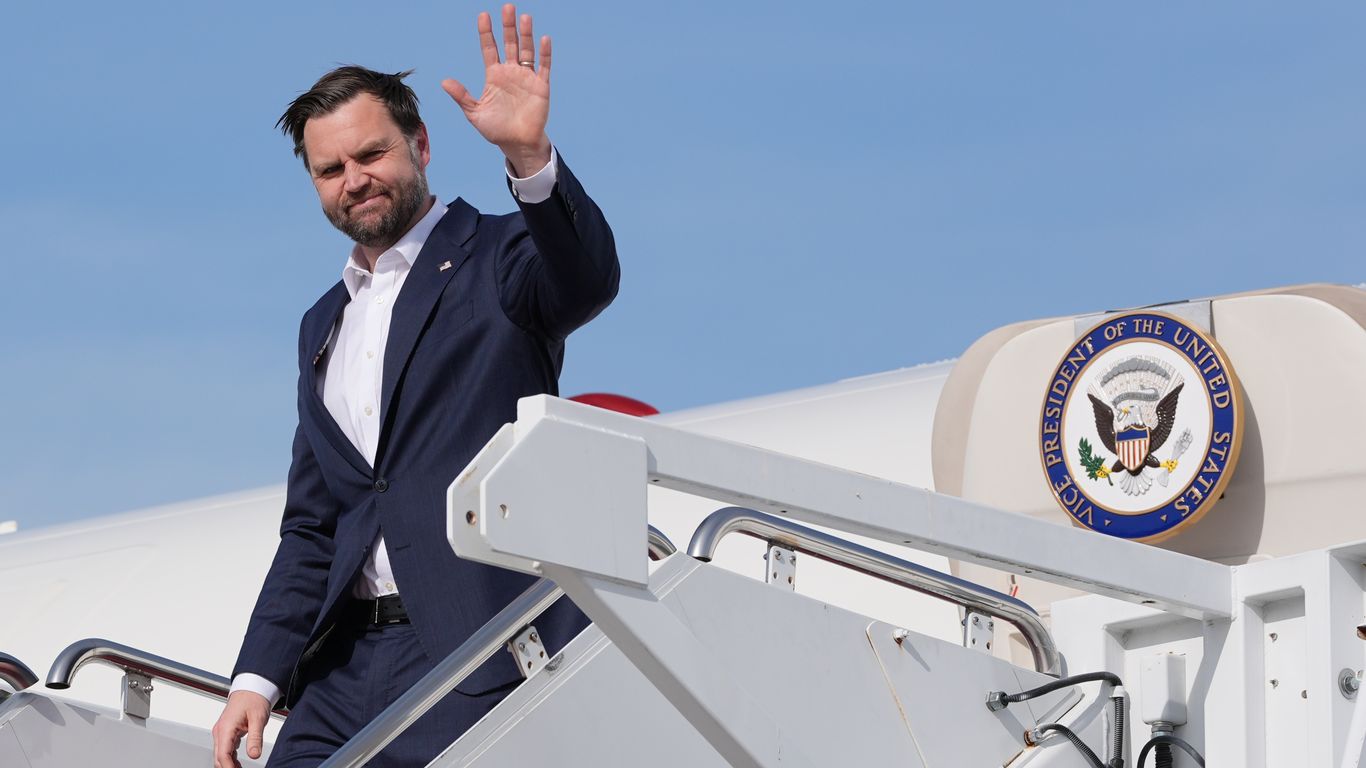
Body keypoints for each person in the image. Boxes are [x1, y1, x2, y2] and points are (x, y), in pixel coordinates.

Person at [211, 6, 617, 766]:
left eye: (371, 154)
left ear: (421, 145)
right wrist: (256, 678)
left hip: (476, 649)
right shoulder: (321, 325)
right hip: (341, 672)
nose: (354, 180)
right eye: (331, 170)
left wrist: (530, 156)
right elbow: (313, 525)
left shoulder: (498, 257)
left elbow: (586, 280)